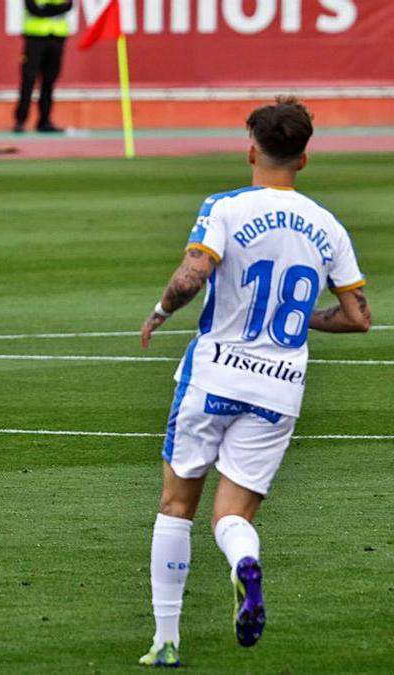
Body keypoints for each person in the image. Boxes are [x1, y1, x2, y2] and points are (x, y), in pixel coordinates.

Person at [137, 97, 370, 666]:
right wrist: (294, 321)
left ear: (251, 148)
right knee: (232, 518)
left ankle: (166, 641)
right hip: (279, 387)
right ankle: (243, 563)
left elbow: (193, 276)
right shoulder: (328, 226)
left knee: (175, 506)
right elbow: (357, 316)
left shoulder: (226, 206)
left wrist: (162, 311)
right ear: (304, 158)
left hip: (214, 373)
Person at [14, 0, 72, 133]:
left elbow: (68, 6)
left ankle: (45, 120)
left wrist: (46, 9)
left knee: (49, 79)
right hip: (35, 36)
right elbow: (33, 8)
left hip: (57, 37)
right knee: (29, 79)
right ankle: (21, 120)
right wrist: (55, 9)